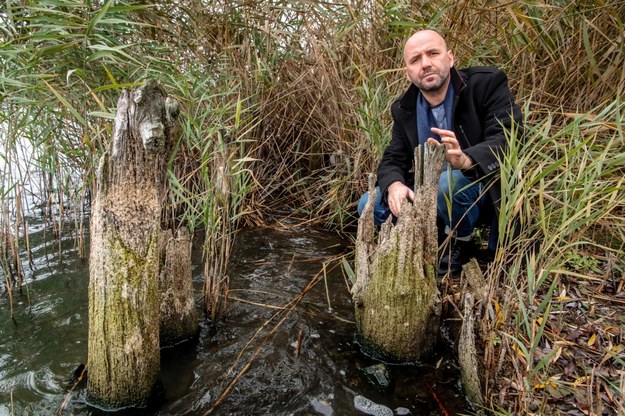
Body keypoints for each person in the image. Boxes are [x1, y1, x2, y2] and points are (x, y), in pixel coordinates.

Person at [357, 29, 523, 276]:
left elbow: (509, 137)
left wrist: (466, 159)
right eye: (415, 60)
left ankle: (460, 242)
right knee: (368, 205)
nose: (425, 64)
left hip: (483, 190)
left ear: (450, 58)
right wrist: (394, 185)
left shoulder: (485, 84)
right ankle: (431, 237)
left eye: (432, 53)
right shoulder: (404, 108)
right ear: (408, 72)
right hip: (429, 195)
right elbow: (393, 157)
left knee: (448, 184)